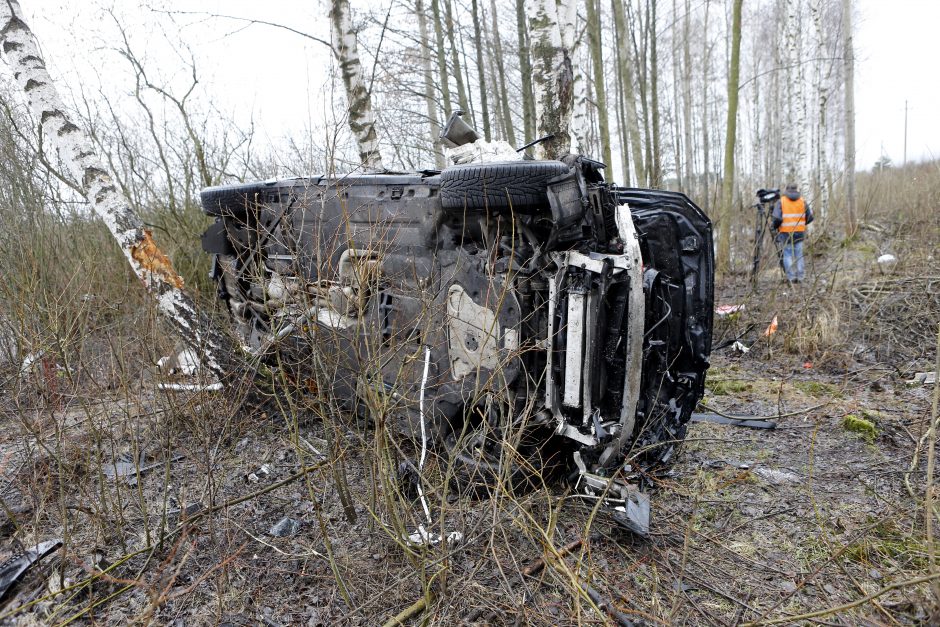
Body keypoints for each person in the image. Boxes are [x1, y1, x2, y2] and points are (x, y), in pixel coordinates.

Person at [772, 183, 814, 283]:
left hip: (786, 233)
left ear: (786, 189)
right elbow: (810, 217)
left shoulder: (781, 201)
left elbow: (777, 218)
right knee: (799, 255)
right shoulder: (802, 201)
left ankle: (791, 277)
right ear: (797, 189)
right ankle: (800, 277)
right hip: (799, 232)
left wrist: (775, 227)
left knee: (787, 255)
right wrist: (802, 224)